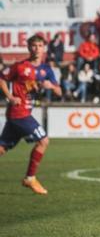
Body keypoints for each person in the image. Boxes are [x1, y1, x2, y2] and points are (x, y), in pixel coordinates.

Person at [0, 35, 61, 195]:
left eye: (40, 45)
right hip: (18, 113)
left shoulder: (47, 70)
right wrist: (10, 97)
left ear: (44, 48)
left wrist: (51, 86)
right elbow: (2, 78)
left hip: (23, 113)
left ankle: (30, 178)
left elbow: (59, 92)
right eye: (34, 45)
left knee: (2, 148)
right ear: (29, 48)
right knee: (43, 141)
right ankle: (30, 178)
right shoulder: (20, 67)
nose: (37, 49)